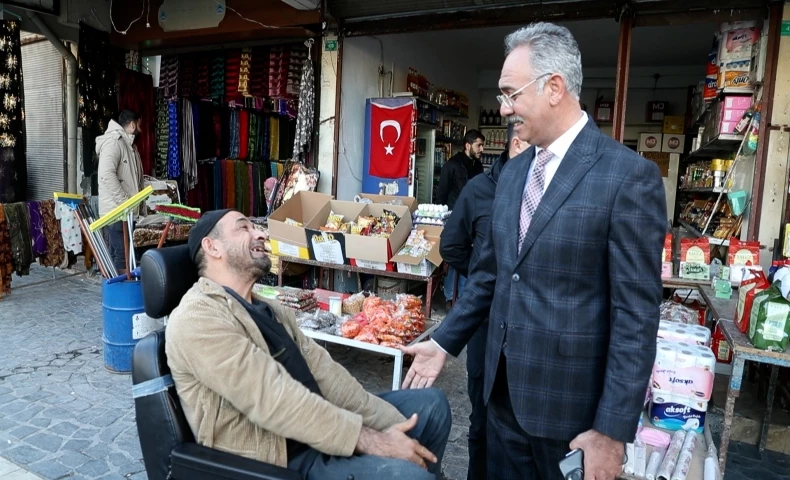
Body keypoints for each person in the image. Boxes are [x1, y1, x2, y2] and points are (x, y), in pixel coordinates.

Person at [402, 22, 666, 480]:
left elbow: (636, 317)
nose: (503, 108)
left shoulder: (627, 177)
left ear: (554, 88)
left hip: (572, 414)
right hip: (501, 398)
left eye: (510, 93)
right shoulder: (512, 173)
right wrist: (445, 340)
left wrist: (611, 431)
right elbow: (491, 274)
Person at [165, 209, 452, 479]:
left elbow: (327, 375)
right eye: (244, 228)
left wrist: (396, 430)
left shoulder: (269, 309)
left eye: (257, 227)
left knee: (432, 407)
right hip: (281, 459)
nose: (261, 233)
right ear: (212, 247)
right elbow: (273, 398)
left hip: (319, 428)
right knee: (408, 476)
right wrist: (371, 440)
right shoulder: (197, 318)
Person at [439, 123, 527, 480]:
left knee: (524, 429)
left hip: (530, 333)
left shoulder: (548, 192)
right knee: (483, 419)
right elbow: (451, 246)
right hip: (486, 323)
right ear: (517, 144)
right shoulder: (479, 190)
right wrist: (483, 274)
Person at [436, 129, 485, 309]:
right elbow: (441, 195)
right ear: (467, 145)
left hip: (474, 220)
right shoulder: (452, 165)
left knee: (471, 257)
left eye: (482, 145)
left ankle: (464, 296)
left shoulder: (478, 166)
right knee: (454, 259)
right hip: (454, 219)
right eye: (479, 145)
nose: (482, 149)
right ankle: (450, 296)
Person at [96, 110, 144, 272]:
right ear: (132, 124)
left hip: (124, 211)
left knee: (122, 254)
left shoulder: (128, 144)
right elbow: (106, 174)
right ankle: (121, 295)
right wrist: (125, 203)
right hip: (117, 211)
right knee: (122, 256)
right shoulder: (114, 142)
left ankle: (117, 293)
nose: (141, 129)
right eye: (139, 125)